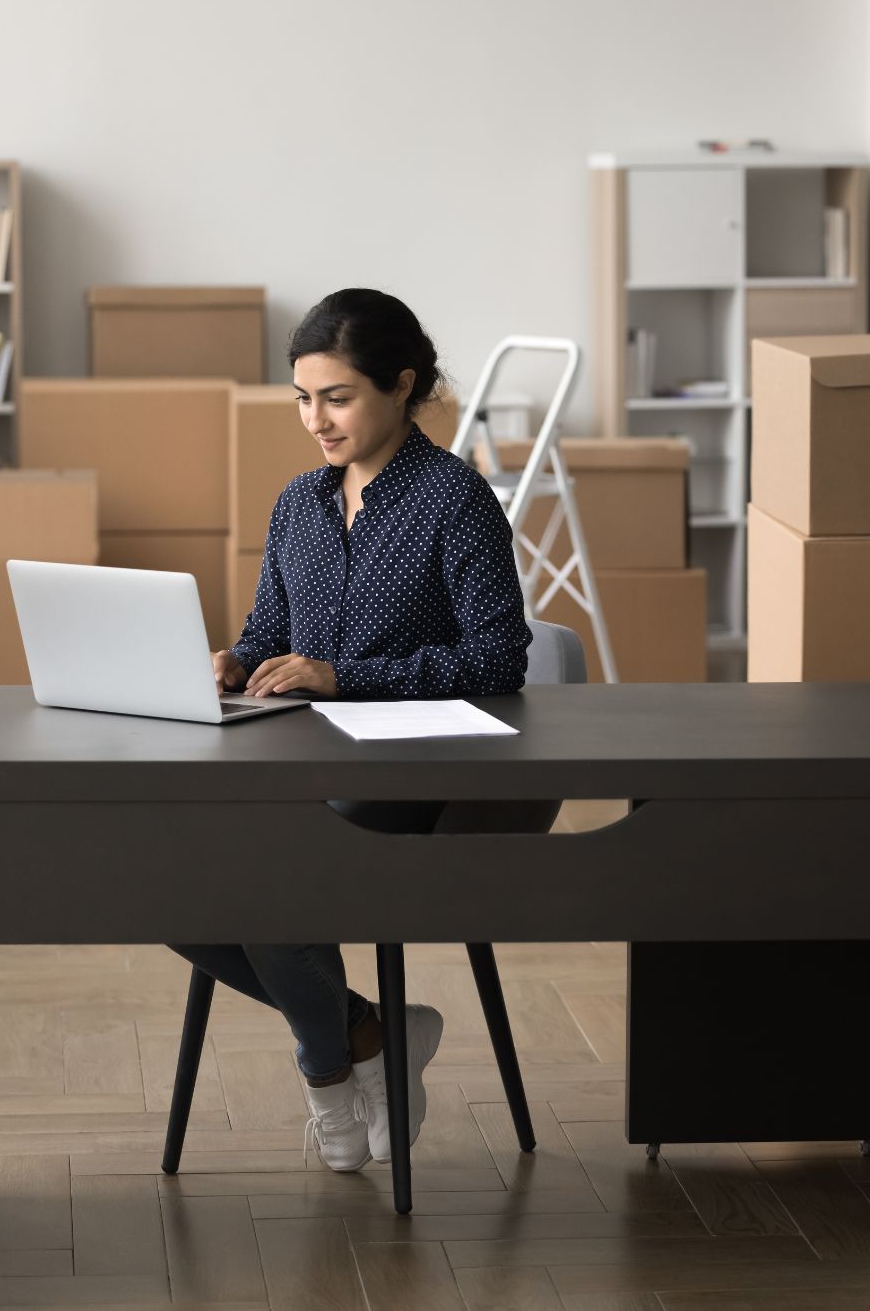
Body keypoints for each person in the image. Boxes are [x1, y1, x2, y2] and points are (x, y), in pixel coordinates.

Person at [171, 287, 531, 1172]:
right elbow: (269, 635)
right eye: (303, 397)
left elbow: (498, 660)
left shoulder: (456, 500)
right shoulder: (300, 504)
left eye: (337, 397)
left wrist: (346, 677)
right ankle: (371, 1035)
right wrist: (231, 660)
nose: (315, 420)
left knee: (269, 879)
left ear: (401, 385)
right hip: (298, 759)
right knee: (168, 884)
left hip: (414, 775)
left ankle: (326, 1079)